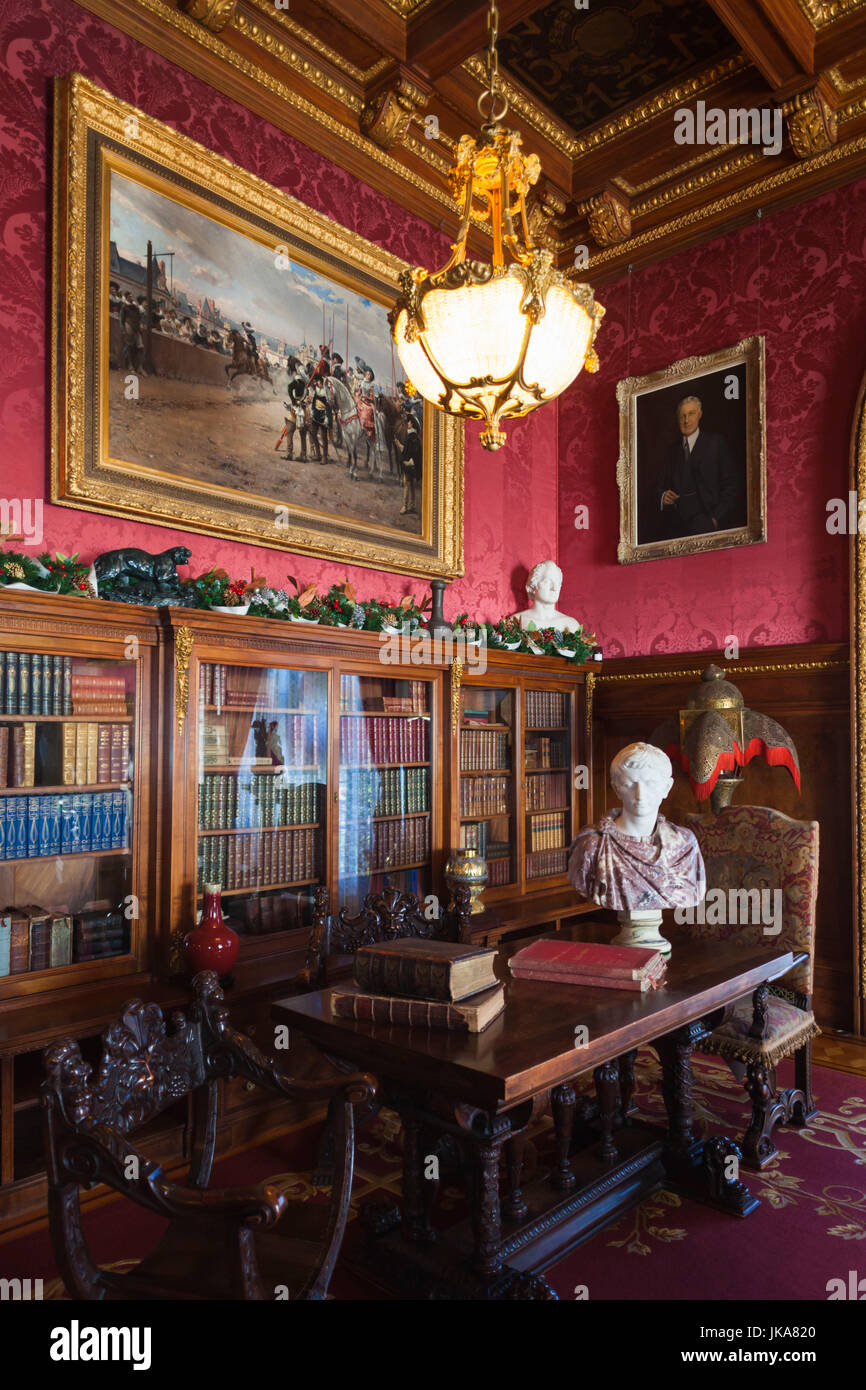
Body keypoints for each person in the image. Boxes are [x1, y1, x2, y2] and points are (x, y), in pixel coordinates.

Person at [656, 395, 738, 539]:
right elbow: (658, 486)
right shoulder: (671, 451)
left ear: (699, 415)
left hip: (707, 525)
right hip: (675, 530)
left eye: (691, 414)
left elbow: (731, 486)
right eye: (682, 416)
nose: (686, 420)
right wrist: (663, 496)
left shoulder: (716, 443)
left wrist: (715, 518)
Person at [513, 560, 580, 634]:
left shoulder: (571, 625)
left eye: (557, 582)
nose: (554, 588)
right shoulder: (516, 622)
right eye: (547, 582)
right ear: (533, 586)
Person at [399, 413, 421, 516]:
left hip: (409, 465)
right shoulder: (414, 436)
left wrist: (398, 445)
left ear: (411, 424)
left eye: (408, 422)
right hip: (413, 465)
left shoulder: (411, 437)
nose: (407, 424)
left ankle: (404, 506)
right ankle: (412, 505)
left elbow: (406, 451)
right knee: (411, 484)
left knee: (406, 484)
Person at [308, 379, 332, 464]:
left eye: (318, 382)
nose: (317, 383)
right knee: (313, 434)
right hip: (315, 415)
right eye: (317, 382)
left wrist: (326, 419)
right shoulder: (316, 391)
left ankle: (324, 457)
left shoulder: (327, 393)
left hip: (323, 416)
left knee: (324, 437)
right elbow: (314, 404)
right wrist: (312, 413)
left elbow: (328, 408)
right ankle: (318, 455)